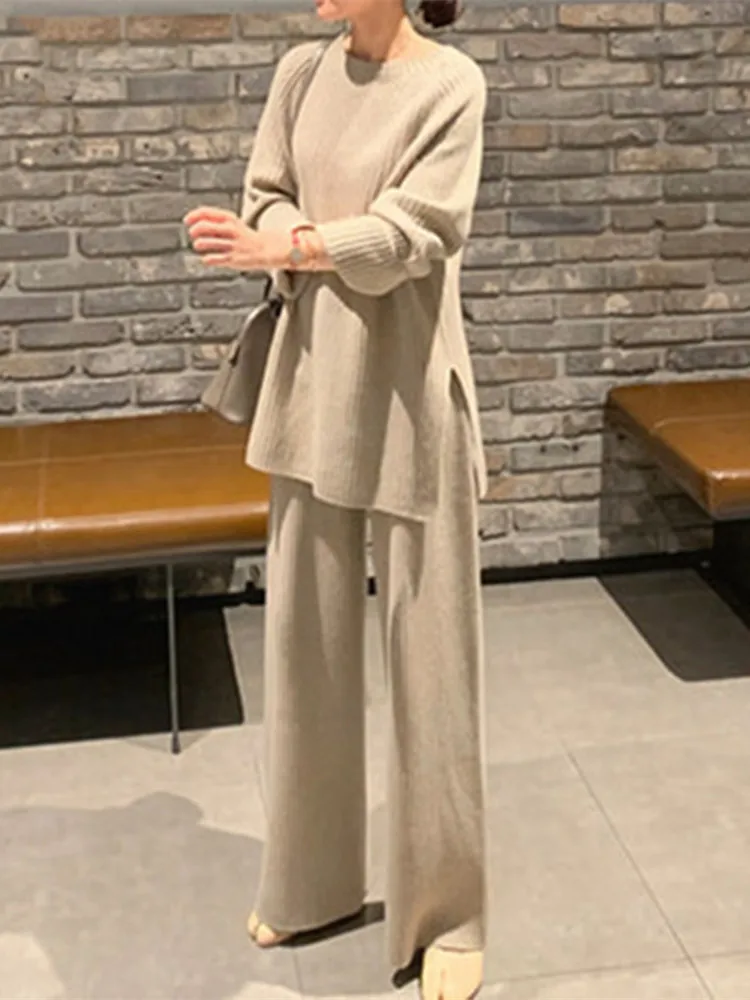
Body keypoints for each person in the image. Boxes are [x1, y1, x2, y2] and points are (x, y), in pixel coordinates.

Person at [185, 1, 488, 996]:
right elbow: (266, 193)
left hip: (411, 396)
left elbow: (415, 235)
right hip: (313, 387)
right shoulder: (300, 73)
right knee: (304, 648)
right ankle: (310, 882)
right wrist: (283, 237)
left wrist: (293, 246)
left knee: (433, 665)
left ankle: (448, 914)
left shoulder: (450, 85)